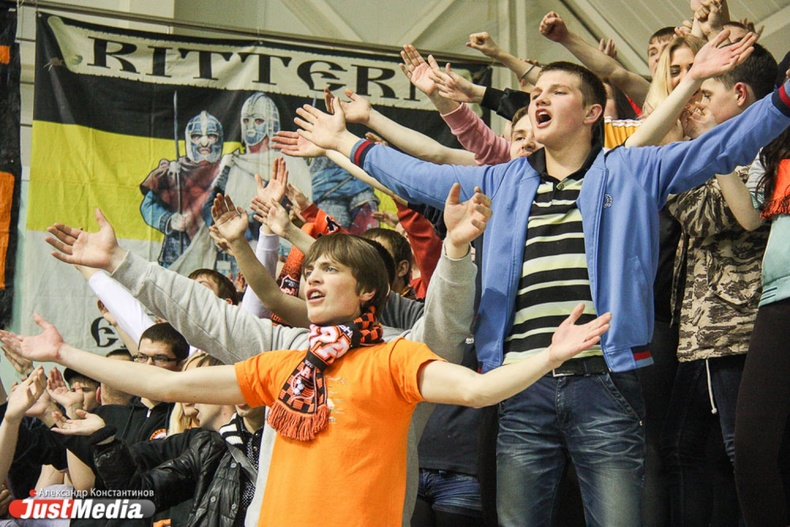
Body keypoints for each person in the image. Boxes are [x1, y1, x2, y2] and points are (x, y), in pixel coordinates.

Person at [293, 49, 790, 525]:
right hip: (520, 384)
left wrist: (784, 100)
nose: (540, 99)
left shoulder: (631, 169)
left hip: (604, 380)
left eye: (558, 91)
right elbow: (418, 176)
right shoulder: (502, 180)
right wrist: (344, 141)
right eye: (536, 94)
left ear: (593, 113)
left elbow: (725, 143)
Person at [3, 184, 611, 527]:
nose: (312, 278)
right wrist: (107, 283)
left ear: (368, 291)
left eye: (331, 270)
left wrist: (544, 351)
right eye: (311, 269)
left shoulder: (396, 357)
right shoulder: (286, 356)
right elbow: (171, 373)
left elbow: (466, 367)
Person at [140, 110, 224, 269]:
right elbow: (148, 206)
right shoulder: (172, 172)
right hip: (177, 251)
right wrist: (169, 220)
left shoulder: (226, 171)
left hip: (214, 252)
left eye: (211, 136)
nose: (204, 143)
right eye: (197, 136)